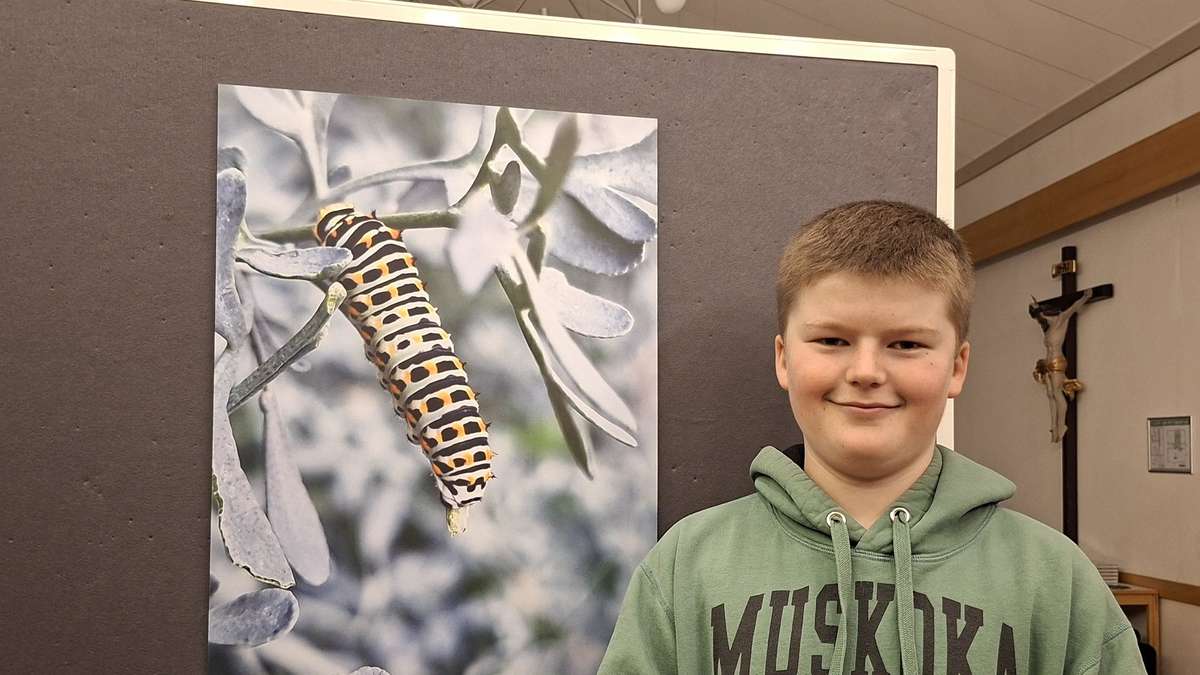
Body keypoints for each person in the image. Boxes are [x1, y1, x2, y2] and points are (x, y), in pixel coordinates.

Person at [597, 201, 1145, 674]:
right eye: (832, 340)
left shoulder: (1053, 577)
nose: (866, 371)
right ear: (784, 359)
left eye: (905, 344)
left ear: (956, 367)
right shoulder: (687, 564)